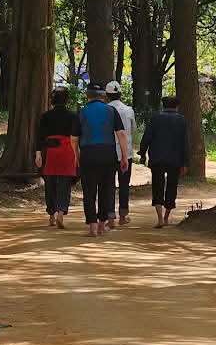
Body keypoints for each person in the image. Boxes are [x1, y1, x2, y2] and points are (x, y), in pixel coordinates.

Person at [78, 82, 128, 237]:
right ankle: (101, 224)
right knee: (106, 189)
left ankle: (92, 227)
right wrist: (124, 157)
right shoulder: (111, 111)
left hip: (88, 153)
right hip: (108, 154)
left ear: (87, 95)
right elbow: (121, 134)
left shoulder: (81, 112)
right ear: (103, 96)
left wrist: (76, 156)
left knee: (89, 191)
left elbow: (74, 138)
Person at [139, 96, 190, 227]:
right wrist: (185, 162)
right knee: (172, 186)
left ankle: (159, 218)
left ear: (164, 106)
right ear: (176, 107)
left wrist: (142, 153)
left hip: (157, 158)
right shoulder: (181, 120)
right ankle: (166, 217)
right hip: (175, 159)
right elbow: (185, 143)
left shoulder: (155, 118)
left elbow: (147, 137)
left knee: (157, 186)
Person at [35, 87, 80, 228]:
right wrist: (77, 154)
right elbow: (76, 137)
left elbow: (40, 137)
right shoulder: (73, 116)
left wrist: (38, 154)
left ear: (52, 100)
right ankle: (61, 212)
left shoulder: (46, 116)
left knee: (50, 184)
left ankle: (51, 216)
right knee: (65, 184)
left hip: (50, 152)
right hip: (67, 151)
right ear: (66, 100)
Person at [105, 81, 137, 225]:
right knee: (124, 185)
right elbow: (133, 129)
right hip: (126, 153)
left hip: (109, 152)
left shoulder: (105, 111)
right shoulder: (129, 110)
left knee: (109, 184)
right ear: (120, 94)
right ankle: (123, 216)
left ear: (106, 95)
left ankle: (110, 216)